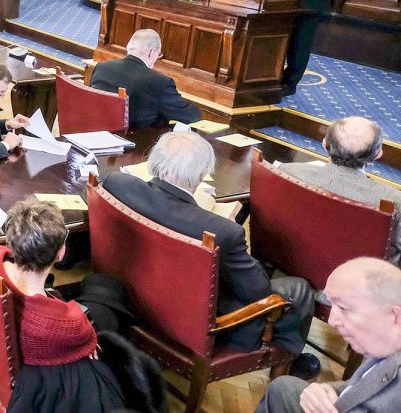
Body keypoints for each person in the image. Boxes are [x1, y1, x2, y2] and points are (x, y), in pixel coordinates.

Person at [102, 131, 318, 377]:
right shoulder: (224, 232)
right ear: (202, 173)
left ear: (153, 161)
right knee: (299, 289)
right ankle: (288, 364)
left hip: (135, 297)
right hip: (196, 325)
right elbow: (259, 292)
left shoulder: (116, 184)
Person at [0, 198, 127, 411]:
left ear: (12, 242)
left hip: (10, 349)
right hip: (54, 373)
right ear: (60, 253)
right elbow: (87, 337)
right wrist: (88, 340)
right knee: (109, 296)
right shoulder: (62, 325)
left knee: (98, 285)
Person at [256, 257, 401, 413]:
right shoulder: (384, 345)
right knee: (282, 388)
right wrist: (328, 390)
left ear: (395, 316)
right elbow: (364, 383)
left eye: (343, 308)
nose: (332, 321)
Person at [277, 116, 400, 258]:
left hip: (294, 257)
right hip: (359, 269)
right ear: (377, 154)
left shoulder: (287, 171)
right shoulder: (394, 200)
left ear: (324, 144)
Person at [89, 29, 200, 127]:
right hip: (134, 139)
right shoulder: (159, 82)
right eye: (158, 54)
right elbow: (188, 115)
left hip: (96, 130)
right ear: (152, 52)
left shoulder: (102, 67)